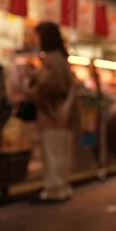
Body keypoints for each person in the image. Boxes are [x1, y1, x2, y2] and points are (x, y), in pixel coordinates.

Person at [31, 22, 79, 203]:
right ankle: (60, 187)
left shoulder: (52, 60)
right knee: (60, 153)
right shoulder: (60, 59)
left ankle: (54, 189)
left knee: (53, 153)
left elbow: (51, 87)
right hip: (61, 116)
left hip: (53, 115)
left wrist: (34, 82)